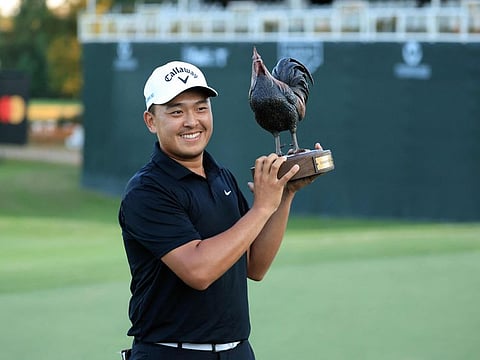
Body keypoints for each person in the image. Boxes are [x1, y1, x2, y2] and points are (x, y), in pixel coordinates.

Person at [118, 61, 320, 360]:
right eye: (176, 111)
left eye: (201, 108)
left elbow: (255, 266)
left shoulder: (220, 175)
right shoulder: (147, 191)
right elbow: (199, 271)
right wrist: (262, 207)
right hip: (171, 353)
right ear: (151, 121)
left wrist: (282, 197)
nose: (191, 121)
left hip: (237, 351)